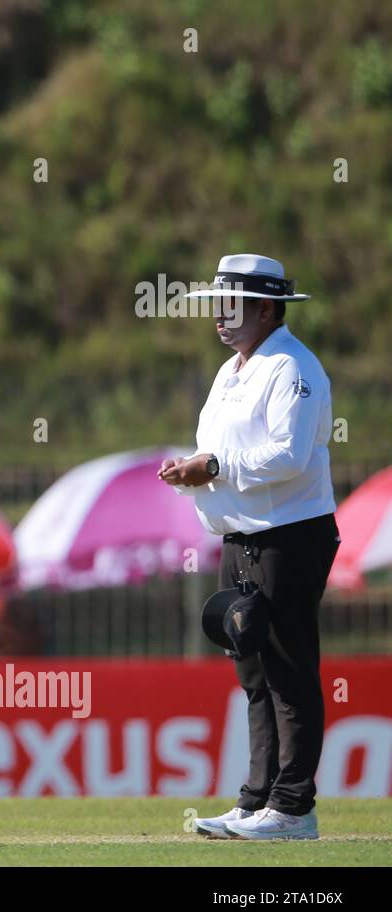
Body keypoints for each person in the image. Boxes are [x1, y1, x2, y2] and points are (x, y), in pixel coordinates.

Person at [159, 254, 339, 840]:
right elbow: (220, 448)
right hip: (241, 539)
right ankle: (257, 799)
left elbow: (289, 456)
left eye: (230, 306)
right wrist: (194, 466)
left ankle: (293, 809)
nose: (218, 317)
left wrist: (211, 465)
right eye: (216, 305)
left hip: (290, 538)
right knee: (254, 671)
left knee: (288, 667)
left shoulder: (293, 367)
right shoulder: (231, 370)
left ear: (266, 309)